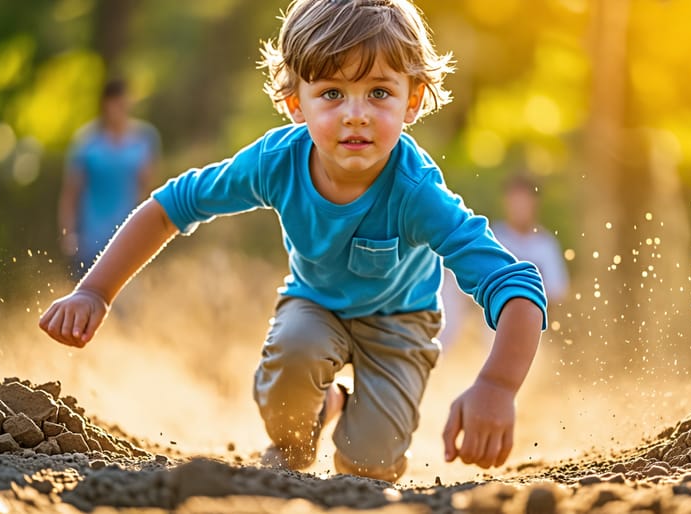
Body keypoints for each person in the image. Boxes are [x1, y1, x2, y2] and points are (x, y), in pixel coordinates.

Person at [39, 0, 546, 482]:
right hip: (314, 305)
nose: (356, 114)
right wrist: (95, 291)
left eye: (379, 92)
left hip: (400, 323)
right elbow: (174, 205)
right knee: (294, 380)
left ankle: (355, 421)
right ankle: (311, 417)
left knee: (368, 466)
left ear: (412, 99)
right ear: (293, 102)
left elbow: (516, 283)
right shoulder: (276, 161)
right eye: (331, 93)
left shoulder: (417, 193)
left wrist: (496, 386)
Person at [439, 173, 567, 349]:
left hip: (531, 319)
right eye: (515, 201)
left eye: (524, 201)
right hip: (491, 316)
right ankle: (439, 349)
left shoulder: (546, 245)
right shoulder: (493, 237)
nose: (519, 207)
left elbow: (556, 292)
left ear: (535, 203)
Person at [58, 78, 160, 278]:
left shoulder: (144, 139)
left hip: (129, 237)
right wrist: (68, 233)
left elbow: (149, 189)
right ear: (105, 105)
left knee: (127, 303)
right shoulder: (87, 143)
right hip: (91, 239)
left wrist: (151, 232)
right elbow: (71, 193)